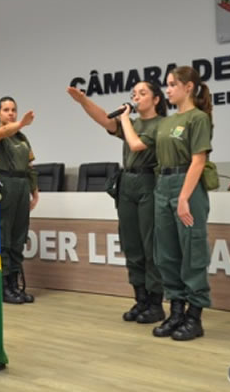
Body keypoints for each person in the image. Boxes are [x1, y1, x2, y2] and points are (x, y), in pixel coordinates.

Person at [121, 67, 213, 341]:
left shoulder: (198, 118)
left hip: (187, 186)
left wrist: (184, 198)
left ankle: (194, 317)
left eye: (173, 84)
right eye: (168, 84)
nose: (168, 89)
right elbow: (139, 145)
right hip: (163, 186)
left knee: (192, 251)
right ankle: (175, 312)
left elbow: (199, 160)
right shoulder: (166, 122)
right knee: (166, 254)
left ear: (188, 87)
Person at [67, 81, 168, 324]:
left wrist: (124, 118)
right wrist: (83, 101)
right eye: (134, 94)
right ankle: (140, 299)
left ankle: (155, 303)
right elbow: (104, 119)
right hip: (127, 183)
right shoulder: (130, 123)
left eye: (143, 93)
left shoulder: (162, 125)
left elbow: (136, 144)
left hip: (148, 183)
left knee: (149, 244)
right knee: (131, 243)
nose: (136, 97)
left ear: (156, 99)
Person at [0, 96, 38, 305]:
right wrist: (20, 123)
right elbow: (0, 133)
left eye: (13, 110)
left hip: (21, 186)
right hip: (5, 184)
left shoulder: (22, 137)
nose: (10, 113)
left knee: (19, 237)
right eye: (6, 110)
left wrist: (34, 191)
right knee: (4, 236)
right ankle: (3, 287)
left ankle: (14, 283)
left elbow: (30, 167)